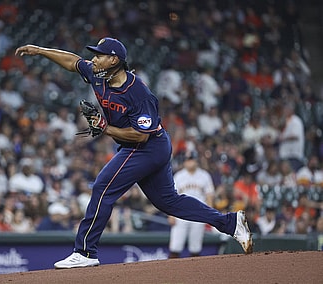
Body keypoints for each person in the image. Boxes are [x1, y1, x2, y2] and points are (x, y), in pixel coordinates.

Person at [15, 37, 252, 269]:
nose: (94, 59)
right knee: (169, 202)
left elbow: (141, 136)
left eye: (99, 55)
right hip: (142, 146)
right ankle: (230, 223)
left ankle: (85, 251)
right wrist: (40, 50)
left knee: (102, 187)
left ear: (114, 60)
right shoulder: (98, 74)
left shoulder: (139, 93)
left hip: (148, 146)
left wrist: (105, 128)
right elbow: (73, 62)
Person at [168, 150, 215, 258]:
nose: (189, 162)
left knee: (195, 248)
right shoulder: (179, 176)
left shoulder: (204, 175)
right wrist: (171, 215)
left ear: (196, 161)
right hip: (181, 214)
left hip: (199, 214)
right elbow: (171, 197)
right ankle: (170, 272)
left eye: (191, 159)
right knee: (175, 246)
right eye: (187, 160)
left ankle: (194, 273)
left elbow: (209, 196)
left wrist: (210, 214)